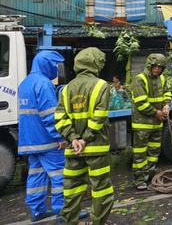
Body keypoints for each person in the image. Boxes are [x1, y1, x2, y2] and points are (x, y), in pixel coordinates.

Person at [18, 51, 88, 223]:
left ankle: (37, 211)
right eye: (54, 66)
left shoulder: (25, 83)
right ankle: (64, 213)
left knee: (36, 175)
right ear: (46, 65)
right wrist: (61, 137)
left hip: (30, 141)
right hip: (47, 141)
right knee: (60, 176)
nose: (56, 70)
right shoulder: (43, 84)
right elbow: (50, 116)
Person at [54, 47, 114, 225]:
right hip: (96, 147)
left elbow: (59, 118)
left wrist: (73, 139)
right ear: (96, 64)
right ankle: (98, 222)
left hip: (74, 149)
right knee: (100, 189)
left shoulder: (66, 89)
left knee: (72, 188)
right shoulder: (101, 85)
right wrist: (85, 138)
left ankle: (71, 221)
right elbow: (100, 116)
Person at [131, 54, 172, 190]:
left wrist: (166, 105)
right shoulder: (139, 80)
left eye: (160, 67)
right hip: (142, 123)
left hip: (157, 123)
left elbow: (167, 93)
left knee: (154, 151)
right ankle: (139, 179)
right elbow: (141, 103)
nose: (157, 69)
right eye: (155, 66)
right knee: (140, 153)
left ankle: (150, 176)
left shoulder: (161, 78)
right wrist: (156, 113)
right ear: (149, 65)